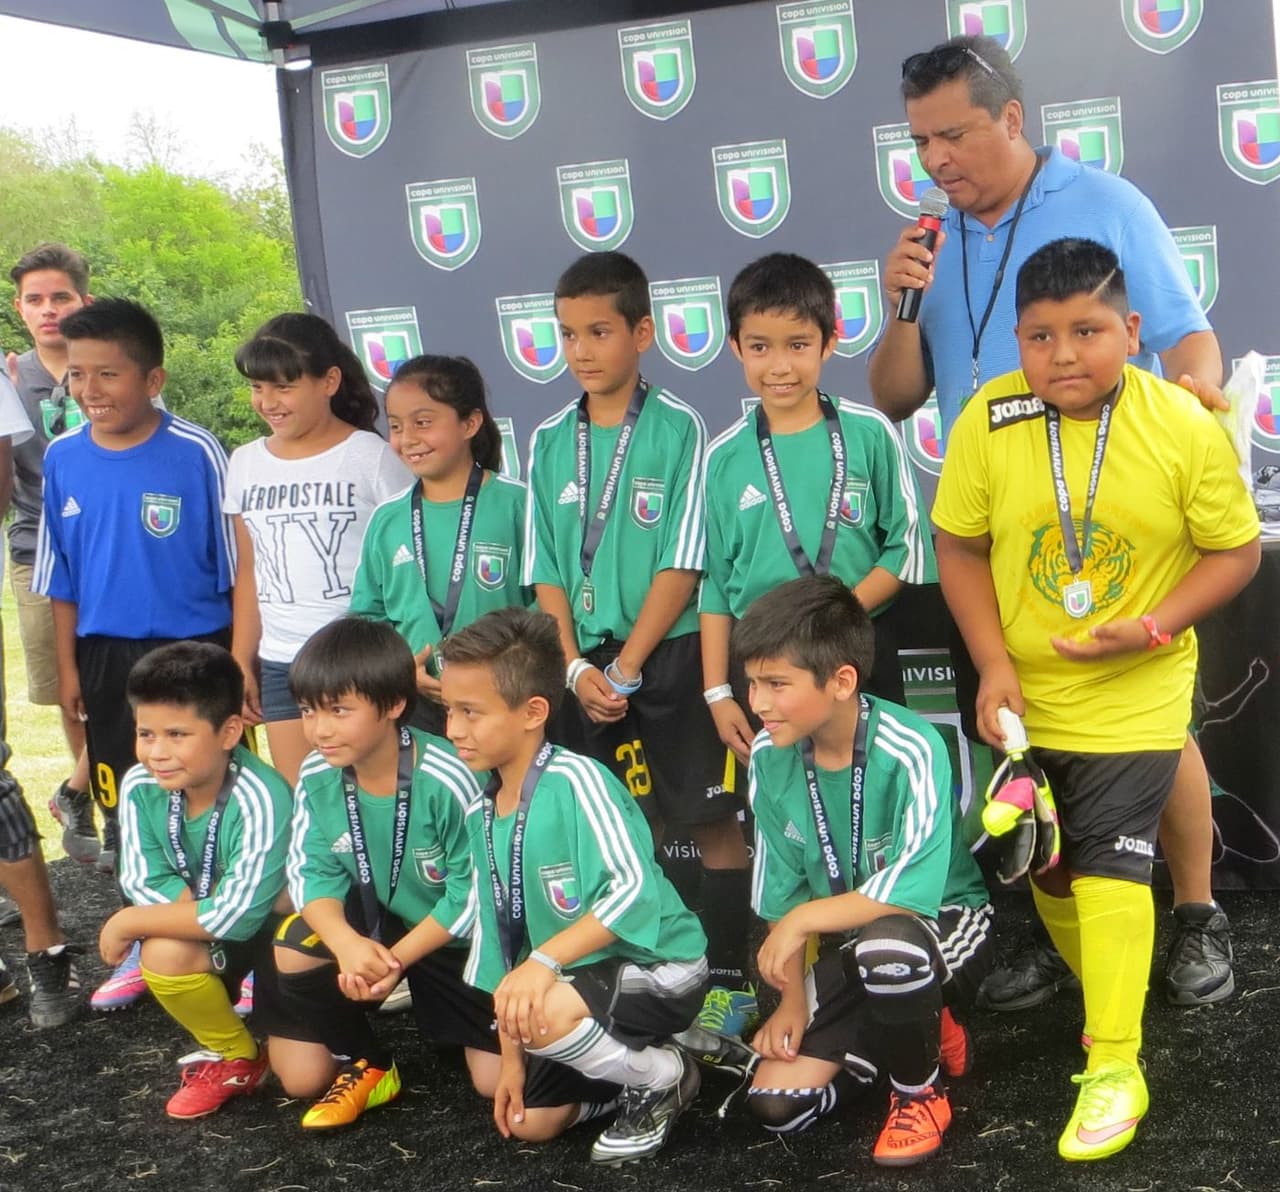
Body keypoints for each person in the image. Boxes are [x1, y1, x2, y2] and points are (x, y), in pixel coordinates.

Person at [867, 33, 1236, 1010]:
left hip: (1108, 522)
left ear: (1012, 120)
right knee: (1015, 734)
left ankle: (1195, 910)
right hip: (989, 531)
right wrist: (896, 302)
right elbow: (895, 395)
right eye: (919, 142)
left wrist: (1195, 400)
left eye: (953, 134)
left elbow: (1185, 336)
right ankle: (1055, 921)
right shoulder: (928, 241)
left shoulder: (1104, 206)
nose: (936, 160)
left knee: (1154, 730)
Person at [932, 238, 1260, 1160]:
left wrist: (1153, 627)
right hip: (1027, 695)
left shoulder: (1182, 425)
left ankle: (1116, 1059)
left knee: (1114, 864)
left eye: (1087, 331)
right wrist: (993, 663)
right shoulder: (990, 418)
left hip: (1137, 689)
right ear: (1016, 341)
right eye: (1039, 336)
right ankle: (1106, 987)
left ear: (1133, 330)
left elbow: (1233, 551)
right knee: (1048, 865)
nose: (1063, 354)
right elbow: (958, 544)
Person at [523, 251, 754, 1039]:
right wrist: (576, 664)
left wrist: (626, 666)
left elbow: (685, 560)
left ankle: (730, 981)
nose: (581, 350)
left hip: (672, 657)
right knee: (631, 831)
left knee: (711, 822)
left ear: (642, 333)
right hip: (583, 667)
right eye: (566, 335)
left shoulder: (680, 428)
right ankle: (650, 982)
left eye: (599, 331)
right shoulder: (548, 438)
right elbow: (546, 569)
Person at [736, 576, 991, 1167]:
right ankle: (905, 1031)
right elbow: (782, 898)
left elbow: (911, 894)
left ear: (842, 680)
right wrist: (792, 1003)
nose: (759, 703)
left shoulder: (912, 746)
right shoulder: (769, 760)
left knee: (890, 949)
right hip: (851, 940)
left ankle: (918, 1093)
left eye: (777, 684)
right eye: (752, 683)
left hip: (944, 922)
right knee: (778, 1104)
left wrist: (803, 920)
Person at [439, 606, 707, 1165]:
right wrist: (512, 1061)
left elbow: (634, 891)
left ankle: (664, 1075)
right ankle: (630, 1070)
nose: (453, 730)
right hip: (576, 983)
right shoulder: (480, 814)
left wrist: (544, 962)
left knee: (544, 1013)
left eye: (470, 712)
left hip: (663, 967)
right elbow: (501, 949)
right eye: (448, 711)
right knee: (527, 1121)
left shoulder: (578, 780)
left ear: (534, 711)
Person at [32, 298, 235, 1012]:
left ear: (152, 380)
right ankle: (149, 941)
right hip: (107, 656)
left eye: (108, 375)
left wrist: (234, 665)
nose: (90, 390)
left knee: (215, 792)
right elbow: (59, 579)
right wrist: (67, 671)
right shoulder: (63, 457)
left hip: (194, 648)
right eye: (78, 375)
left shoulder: (199, 451)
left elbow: (240, 570)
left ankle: (229, 939)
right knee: (132, 802)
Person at [701, 252, 935, 767]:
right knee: (789, 806)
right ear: (736, 347)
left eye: (799, 345)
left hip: (861, 647)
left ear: (830, 342)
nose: (780, 366)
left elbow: (906, 550)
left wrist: (834, 619)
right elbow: (716, 583)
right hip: (765, 665)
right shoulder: (722, 458)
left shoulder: (869, 433)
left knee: (878, 787)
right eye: (760, 347)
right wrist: (718, 692)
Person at [272, 616, 495, 1130]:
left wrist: (394, 961)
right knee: (295, 953)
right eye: (308, 711)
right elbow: (310, 874)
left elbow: (472, 898)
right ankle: (369, 1063)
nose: (319, 729)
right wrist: (348, 945)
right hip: (379, 928)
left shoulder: (449, 776)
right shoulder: (315, 771)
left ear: (394, 705)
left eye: (339, 710)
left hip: (456, 942)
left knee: (491, 1082)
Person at [101, 642, 296, 1119]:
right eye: (146, 733)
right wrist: (190, 909)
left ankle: (280, 1004)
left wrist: (129, 921)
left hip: (278, 935)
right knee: (165, 950)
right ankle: (238, 1056)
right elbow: (142, 878)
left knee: (303, 1079)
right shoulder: (139, 783)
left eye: (176, 734)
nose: (157, 752)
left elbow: (243, 914)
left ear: (230, 731)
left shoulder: (261, 795)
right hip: (221, 918)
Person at [226, 313, 411, 787]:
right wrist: (240, 658)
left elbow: (408, 564)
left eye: (283, 387)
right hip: (281, 661)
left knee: (380, 798)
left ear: (329, 381)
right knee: (306, 800)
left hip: (360, 660)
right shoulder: (244, 463)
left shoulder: (370, 456)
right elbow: (250, 570)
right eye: (257, 388)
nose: (267, 402)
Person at [349, 354, 529, 736]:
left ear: (470, 423)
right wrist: (401, 670)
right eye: (396, 426)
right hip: (418, 704)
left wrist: (510, 667)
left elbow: (547, 602)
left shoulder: (518, 505)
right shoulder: (388, 519)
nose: (407, 438)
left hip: (507, 699)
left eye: (423, 422)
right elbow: (368, 618)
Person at [7, 244, 99, 867]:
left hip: (107, 548)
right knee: (71, 690)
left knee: (121, 675)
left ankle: (86, 790)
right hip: (36, 549)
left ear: (83, 302)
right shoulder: (9, 378)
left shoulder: (111, 363)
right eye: (35, 300)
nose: (48, 310)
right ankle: (86, 798)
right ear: (19, 308)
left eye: (60, 297)